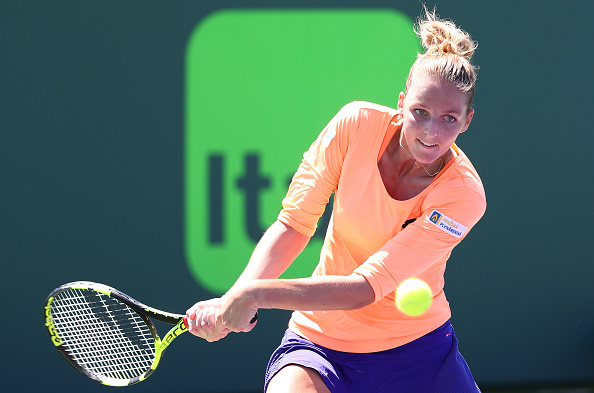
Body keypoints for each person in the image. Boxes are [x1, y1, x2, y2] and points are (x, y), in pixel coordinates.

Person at [186, 7, 486, 393]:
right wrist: (233, 297)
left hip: (419, 353)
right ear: (400, 102)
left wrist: (253, 294)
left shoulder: (463, 194)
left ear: (467, 121)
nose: (431, 131)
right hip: (319, 345)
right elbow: (295, 223)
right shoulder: (355, 124)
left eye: (449, 119)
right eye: (420, 112)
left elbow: (364, 288)